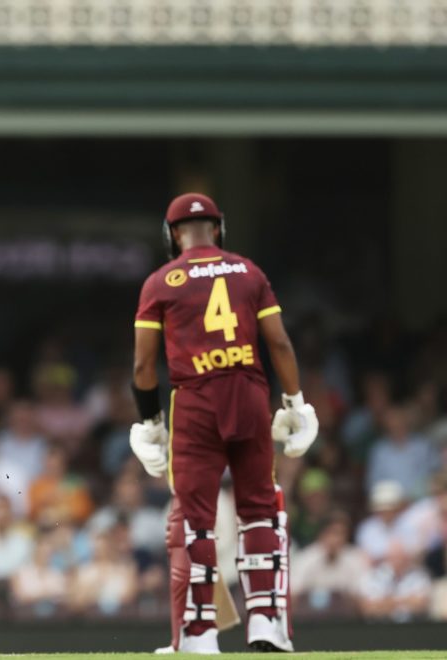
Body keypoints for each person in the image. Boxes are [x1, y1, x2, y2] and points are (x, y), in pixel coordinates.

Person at [128, 193, 318, 653]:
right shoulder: (248, 272)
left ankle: (198, 634)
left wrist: (150, 421)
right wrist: (295, 403)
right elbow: (281, 345)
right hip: (250, 397)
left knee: (195, 521)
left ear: (173, 234)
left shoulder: (160, 282)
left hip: (195, 405)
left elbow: (142, 367)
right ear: (218, 229)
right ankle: (267, 623)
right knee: (260, 511)